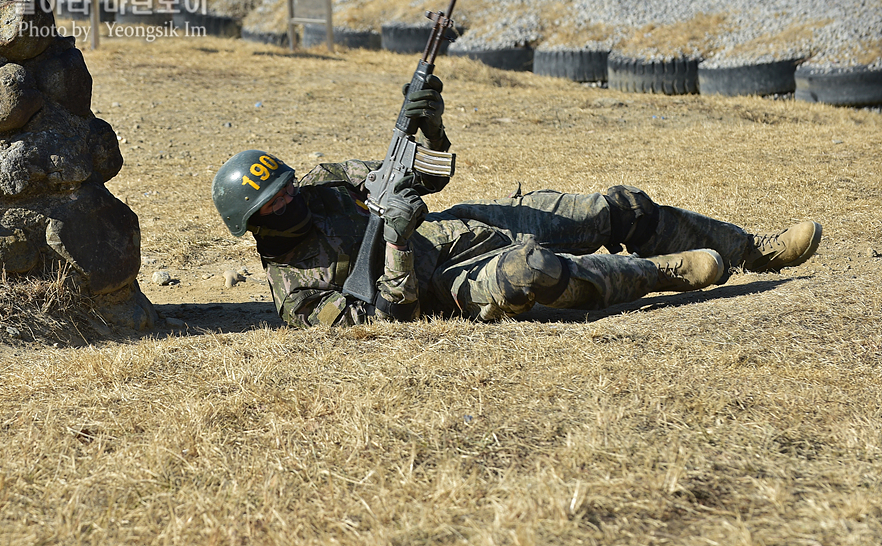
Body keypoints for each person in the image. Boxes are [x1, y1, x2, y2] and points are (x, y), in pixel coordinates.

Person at [211, 77, 822, 328]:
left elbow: (418, 183)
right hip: (451, 281)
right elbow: (390, 320)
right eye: (277, 197)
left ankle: (755, 250)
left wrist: (429, 126)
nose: (293, 194)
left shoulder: (324, 182)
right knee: (534, 268)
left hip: (461, 228)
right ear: (255, 221)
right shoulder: (297, 296)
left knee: (615, 207)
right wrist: (396, 244)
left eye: (287, 182)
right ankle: (661, 274)